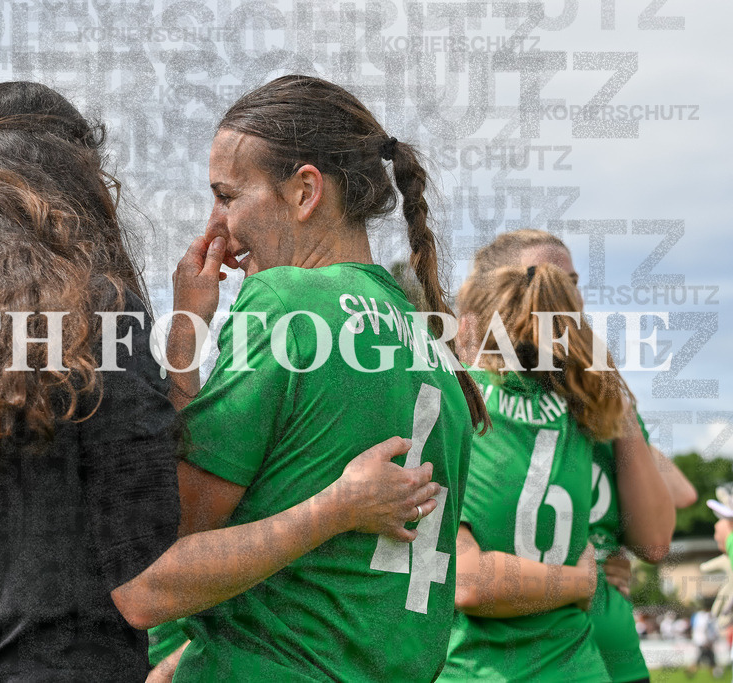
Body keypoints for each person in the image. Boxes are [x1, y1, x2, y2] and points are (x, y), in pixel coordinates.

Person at [0, 81, 442, 682]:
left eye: (227, 195)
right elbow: (151, 563)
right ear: (74, 187)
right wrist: (334, 507)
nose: (217, 223)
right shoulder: (93, 320)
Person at [147, 74, 488, 681]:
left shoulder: (285, 301)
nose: (215, 224)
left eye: (227, 195)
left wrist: (184, 338)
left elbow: (165, 539)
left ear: (306, 191)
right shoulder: (434, 344)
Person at [465, 229, 692, 682]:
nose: (561, 300)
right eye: (550, 283)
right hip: (509, 654)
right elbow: (467, 576)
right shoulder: (473, 403)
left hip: (606, 657)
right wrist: (575, 579)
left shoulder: (596, 401)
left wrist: (613, 399)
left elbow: (654, 541)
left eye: (570, 283)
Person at [439, 257, 651, 681]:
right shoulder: (586, 407)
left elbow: (470, 581)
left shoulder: (459, 402)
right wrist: (580, 581)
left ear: (469, 325)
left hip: (479, 670)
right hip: (578, 667)